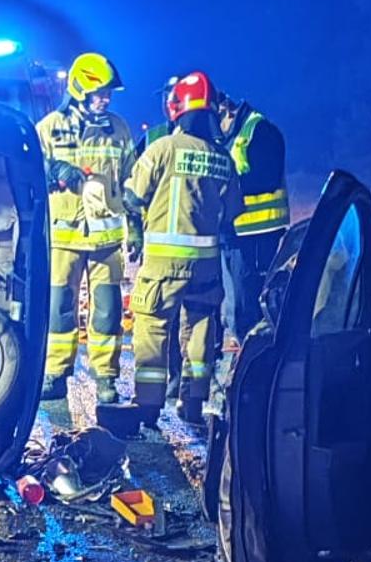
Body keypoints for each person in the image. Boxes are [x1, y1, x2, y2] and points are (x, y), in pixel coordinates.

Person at [123, 72, 242, 425]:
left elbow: (132, 196)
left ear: (177, 109)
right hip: (206, 267)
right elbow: (232, 212)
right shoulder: (223, 158)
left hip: (163, 266)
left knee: (153, 330)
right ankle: (192, 403)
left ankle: (148, 407)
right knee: (201, 332)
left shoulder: (161, 149)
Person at [37, 53, 134, 403]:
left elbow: (130, 180)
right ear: (79, 89)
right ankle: (55, 373)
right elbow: (31, 170)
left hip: (106, 241)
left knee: (108, 312)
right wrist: (53, 169)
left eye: (108, 93)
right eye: (99, 92)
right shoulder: (49, 127)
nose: (105, 99)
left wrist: (135, 229)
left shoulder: (120, 129)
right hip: (63, 239)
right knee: (59, 309)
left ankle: (106, 378)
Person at [217, 89, 290, 341]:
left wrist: (224, 186)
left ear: (226, 110)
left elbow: (267, 178)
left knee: (250, 300)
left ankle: (257, 351)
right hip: (234, 233)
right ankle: (245, 345)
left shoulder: (260, 131)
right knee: (235, 300)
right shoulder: (231, 135)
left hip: (259, 233)